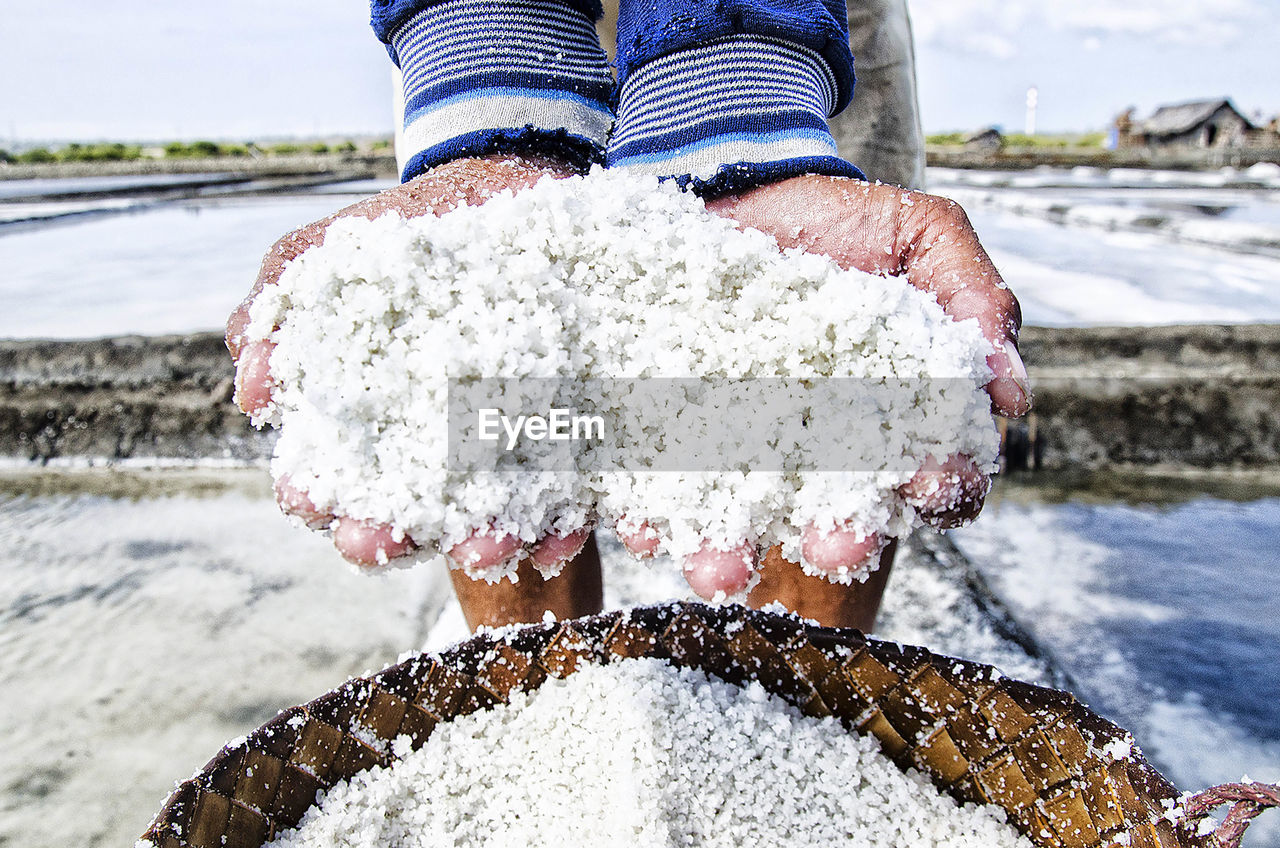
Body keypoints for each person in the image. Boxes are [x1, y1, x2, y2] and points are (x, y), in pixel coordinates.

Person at [227, 0, 1029, 633]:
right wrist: (492, 59)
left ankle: (793, 713)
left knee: (837, 423)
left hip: (799, 24)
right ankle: (548, 723)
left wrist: (735, 87)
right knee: (482, 381)